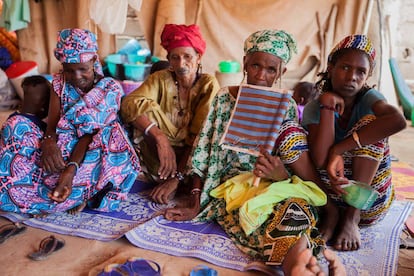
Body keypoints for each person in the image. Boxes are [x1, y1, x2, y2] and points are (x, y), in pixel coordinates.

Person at [163, 29, 341, 274]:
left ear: (281, 73)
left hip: (274, 185)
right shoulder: (224, 99)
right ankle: (298, 265)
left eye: (270, 70)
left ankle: (305, 260)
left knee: (295, 208)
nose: (260, 75)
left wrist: (280, 175)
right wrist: (196, 197)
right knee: (256, 219)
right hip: (235, 190)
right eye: (255, 65)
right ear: (245, 62)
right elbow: (203, 153)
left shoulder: (285, 104)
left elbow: (290, 159)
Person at [0, 28, 140, 216]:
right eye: (69, 70)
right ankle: (60, 196)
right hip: (60, 142)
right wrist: (48, 142)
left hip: (88, 151)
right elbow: (53, 123)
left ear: (93, 61)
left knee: (111, 137)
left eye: (83, 69)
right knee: (15, 124)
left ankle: (74, 194)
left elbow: (91, 135)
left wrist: (70, 170)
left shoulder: (110, 89)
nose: (76, 77)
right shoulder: (59, 82)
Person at [302, 34, 407, 251]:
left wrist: (340, 149)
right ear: (330, 68)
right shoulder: (316, 106)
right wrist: (328, 106)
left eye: (361, 72)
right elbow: (321, 160)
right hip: (328, 197)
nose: (352, 77)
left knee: (373, 123)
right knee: (291, 132)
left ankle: (351, 216)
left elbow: (397, 120)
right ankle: (334, 215)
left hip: (369, 203)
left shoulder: (370, 99)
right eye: (345, 68)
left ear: (367, 76)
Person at [120, 24, 220, 204]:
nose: (181, 64)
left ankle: (178, 182)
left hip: (192, 162)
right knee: (143, 105)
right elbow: (128, 104)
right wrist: (160, 138)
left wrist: (176, 179)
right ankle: (165, 176)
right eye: (175, 57)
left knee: (205, 134)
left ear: (198, 57)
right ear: (169, 60)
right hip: (160, 160)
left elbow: (201, 138)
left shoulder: (208, 84)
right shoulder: (160, 78)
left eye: (187, 56)